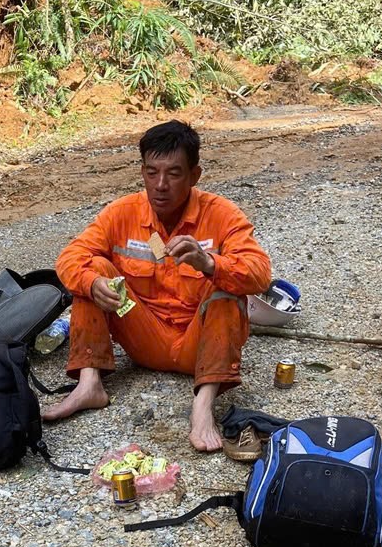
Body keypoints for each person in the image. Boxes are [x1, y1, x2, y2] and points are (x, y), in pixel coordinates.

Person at [45, 120, 271, 456]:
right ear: (142, 172)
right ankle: (89, 383)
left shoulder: (222, 215)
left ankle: (203, 404)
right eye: (152, 173)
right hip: (143, 334)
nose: (160, 185)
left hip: (199, 345)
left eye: (173, 174)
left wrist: (211, 264)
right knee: (91, 270)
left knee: (227, 289)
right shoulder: (123, 212)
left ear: (194, 176)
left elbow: (260, 274)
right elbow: (69, 258)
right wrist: (93, 285)